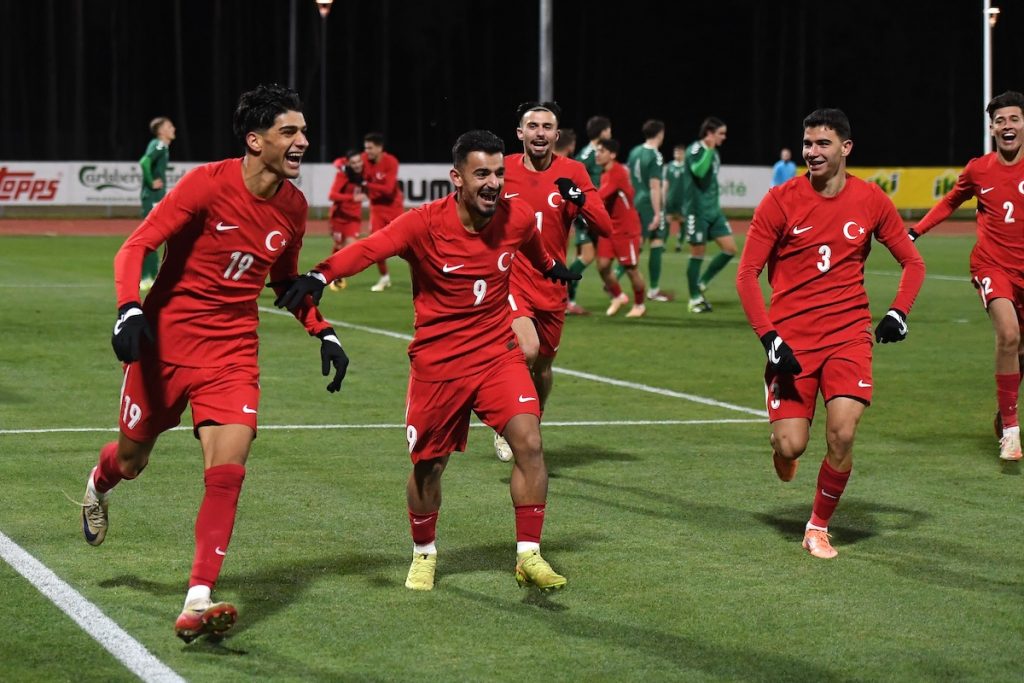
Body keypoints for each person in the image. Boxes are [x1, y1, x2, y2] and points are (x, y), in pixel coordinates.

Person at [78, 84, 349, 642]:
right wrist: (129, 311)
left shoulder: (295, 209)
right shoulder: (206, 183)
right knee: (130, 461)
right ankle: (98, 484)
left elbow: (285, 284)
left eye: (303, 131)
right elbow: (134, 247)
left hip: (231, 353)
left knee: (227, 472)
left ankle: (197, 598)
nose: (303, 140)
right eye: (289, 132)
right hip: (165, 345)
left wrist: (323, 331)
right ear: (256, 140)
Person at [273, 129, 579, 592]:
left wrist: (551, 266)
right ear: (457, 178)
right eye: (482, 174)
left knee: (530, 443)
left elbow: (532, 243)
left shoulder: (513, 218)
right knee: (428, 467)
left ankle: (528, 555)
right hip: (439, 364)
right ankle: (424, 553)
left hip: (497, 353)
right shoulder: (424, 223)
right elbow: (371, 247)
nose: (494, 182)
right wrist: (320, 275)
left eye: (499, 173)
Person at [735, 108, 925, 559]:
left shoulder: (872, 200)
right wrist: (769, 336)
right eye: (807, 144)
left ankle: (817, 527)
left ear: (846, 148)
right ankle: (783, 450)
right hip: (792, 342)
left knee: (842, 433)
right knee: (791, 445)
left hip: (848, 335)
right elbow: (747, 274)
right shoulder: (781, 200)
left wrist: (899, 311)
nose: (812, 152)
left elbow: (912, 263)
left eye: (822, 144)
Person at [909, 90, 1024, 461]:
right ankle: (1011, 431)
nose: (1008, 126)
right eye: (1001, 120)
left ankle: (1002, 411)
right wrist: (915, 232)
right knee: (1008, 333)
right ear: (992, 128)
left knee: (1021, 351)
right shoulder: (979, 169)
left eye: (1014, 119)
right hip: (992, 265)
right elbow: (949, 202)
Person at [497, 101, 613, 462]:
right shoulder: (503, 170)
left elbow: (606, 227)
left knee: (544, 367)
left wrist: (579, 198)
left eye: (547, 127)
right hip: (513, 278)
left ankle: (534, 417)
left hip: (552, 283)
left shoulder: (574, 172)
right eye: (533, 126)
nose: (540, 133)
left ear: (556, 135)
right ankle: (508, 425)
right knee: (526, 349)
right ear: (520, 134)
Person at [683, 116, 737, 313]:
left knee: (730, 248)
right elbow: (698, 171)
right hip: (697, 212)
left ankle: (702, 282)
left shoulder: (714, 153)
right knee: (697, 253)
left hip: (714, 211)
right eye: (721, 134)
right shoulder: (696, 150)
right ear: (709, 134)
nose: (724, 137)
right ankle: (694, 299)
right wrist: (709, 149)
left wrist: (712, 150)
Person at [594, 138, 647, 318]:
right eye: (597, 151)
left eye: (601, 151)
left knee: (631, 269)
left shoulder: (618, 172)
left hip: (626, 229)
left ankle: (639, 305)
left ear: (613, 155)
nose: (597, 154)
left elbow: (600, 197)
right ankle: (619, 296)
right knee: (602, 266)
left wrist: (576, 199)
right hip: (609, 228)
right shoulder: (605, 173)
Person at [566, 115, 613, 316]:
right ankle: (565, 295)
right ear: (603, 132)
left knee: (586, 256)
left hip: (588, 210)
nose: (610, 133)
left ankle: (570, 300)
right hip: (587, 212)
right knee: (587, 256)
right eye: (609, 130)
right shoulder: (590, 155)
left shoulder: (589, 152)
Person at [626, 119, 671, 301]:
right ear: (660, 133)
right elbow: (654, 187)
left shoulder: (635, 151)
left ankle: (652, 288)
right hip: (647, 203)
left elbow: (629, 179)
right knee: (649, 242)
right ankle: (652, 289)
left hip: (634, 199)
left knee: (648, 242)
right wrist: (658, 212)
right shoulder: (655, 155)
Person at [361, 132, 405, 291]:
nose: (367, 151)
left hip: (394, 208)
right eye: (366, 148)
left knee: (408, 245)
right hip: (376, 209)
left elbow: (387, 189)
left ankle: (425, 277)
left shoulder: (390, 161)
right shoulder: (363, 159)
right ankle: (384, 277)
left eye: (371, 148)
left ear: (380, 148)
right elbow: (342, 162)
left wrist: (366, 185)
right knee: (376, 245)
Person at [138, 116, 176, 292]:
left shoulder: (160, 145)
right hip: (152, 196)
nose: (173, 128)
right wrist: (151, 180)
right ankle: (147, 278)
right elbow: (144, 161)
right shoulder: (159, 145)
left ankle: (151, 276)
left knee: (156, 237)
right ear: (161, 131)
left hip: (155, 196)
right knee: (151, 237)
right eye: (169, 126)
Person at [326, 149, 367, 291]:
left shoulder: (365, 172)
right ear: (349, 163)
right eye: (353, 163)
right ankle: (331, 274)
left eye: (359, 161)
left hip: (354, 218)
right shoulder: (342, 175)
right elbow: (332, 195)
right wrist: (352, 198)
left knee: (351, 248)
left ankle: (336, 274)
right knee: (339, 247)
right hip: (339, 217)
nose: (357, 165)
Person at [664, 144, 688, 252]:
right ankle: (663, 244)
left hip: (683, 199)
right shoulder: (670, 166)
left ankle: (679, 243)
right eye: (676, 152)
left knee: (682, 221)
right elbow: (666, 182)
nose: (677, 154)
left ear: (684, 154)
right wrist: (664, 196)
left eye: (679, 152)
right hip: (671, 198)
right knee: (667, 220)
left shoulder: (687, 166)